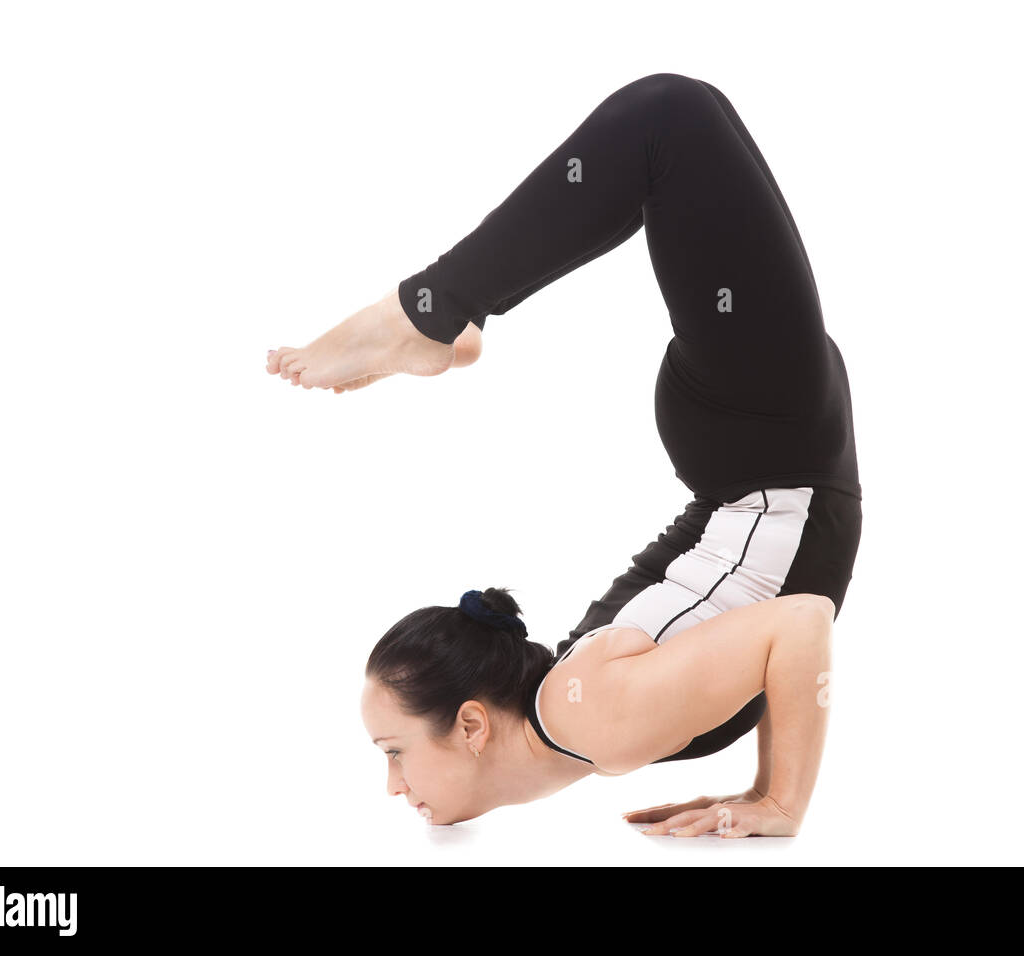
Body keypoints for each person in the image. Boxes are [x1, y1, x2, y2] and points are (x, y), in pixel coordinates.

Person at [269, 73, 863, 836]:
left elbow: (804, 622)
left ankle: (430, 312)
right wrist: (758, 791)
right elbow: (784, 626)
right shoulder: (583, 713)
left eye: (393, 751)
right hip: (763, 445)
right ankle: (441, 319)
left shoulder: (594, 718)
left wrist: (782, 800)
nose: (392, 785)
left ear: (472, 724)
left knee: (670, 119)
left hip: (772, 442)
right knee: (677, 126)